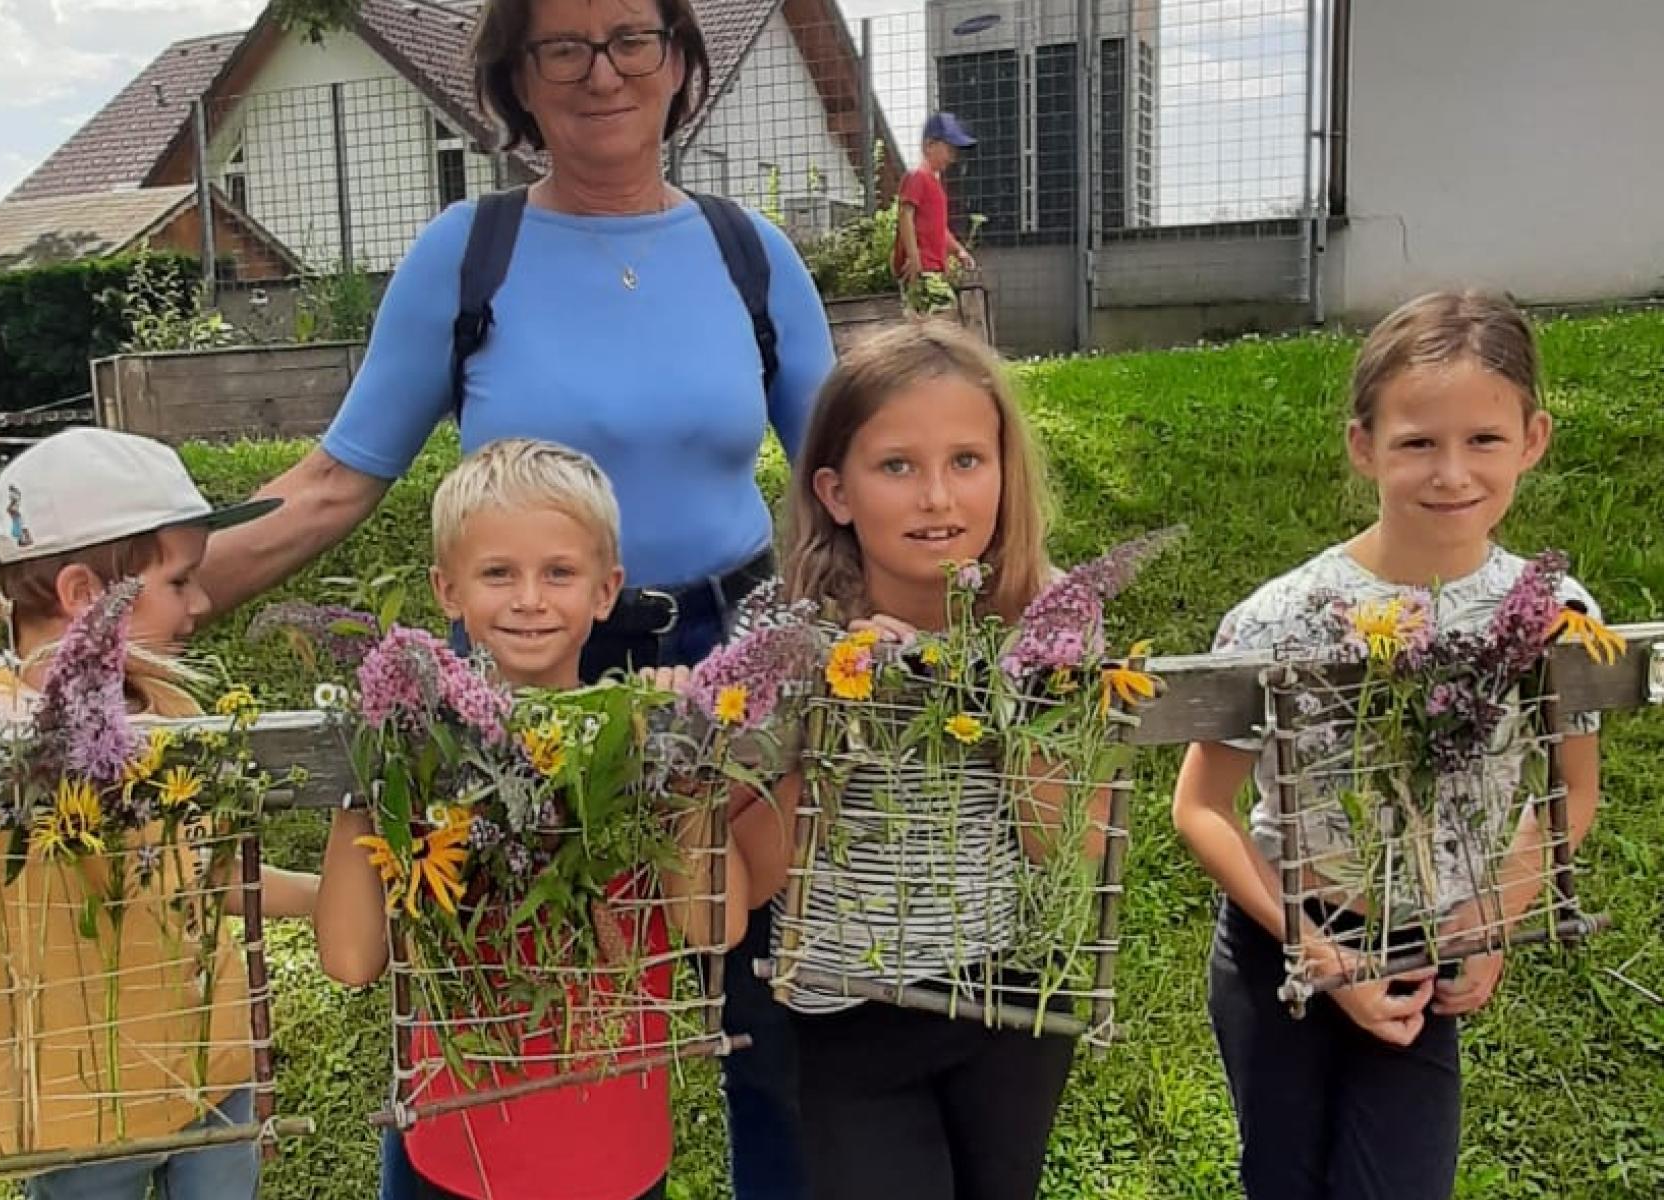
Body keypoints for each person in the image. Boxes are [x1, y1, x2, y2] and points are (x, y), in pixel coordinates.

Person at [195, 0, 834, 1192]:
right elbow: (337, 481)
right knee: (473, 988)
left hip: (720, 664)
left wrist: (968, 607)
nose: (603, 71)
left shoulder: (754, 254)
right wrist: (168, 597)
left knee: (766, 999)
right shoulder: (467, 252)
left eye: (633, 38)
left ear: (681, 62)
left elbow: (845, 482)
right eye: (564, 48)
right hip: (512, 663)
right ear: (517, 81)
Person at [1169, 291, 1606, 1200]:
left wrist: (1494, 919)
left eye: (1484, 439)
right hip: (1284, 947)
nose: (1451, 473)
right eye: (1417, 443)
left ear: (1533, 439)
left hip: (1427, 955)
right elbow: (1201, 808)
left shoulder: (1557, 617)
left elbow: (1572, 792)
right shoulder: (1282, 617)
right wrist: (1318, 957)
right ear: (1364, 444)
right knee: (1284, 1180)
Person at [0, 427, 320, 1200]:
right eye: (180, 581)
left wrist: (325, 899)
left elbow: (209, 874)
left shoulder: (172, 709)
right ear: (88, 597)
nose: (202, 601)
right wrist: (11, 722)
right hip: (75, 1110)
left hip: (210, 1071)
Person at [314, 439, 759, 1200]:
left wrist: (686, 766)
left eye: (559, 573)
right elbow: (352, 960)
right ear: (446, 590)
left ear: (606, 589)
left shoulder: (640, 739)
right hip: (454, 1158)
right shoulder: (418, 758)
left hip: (613, 1159)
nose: (529, 598)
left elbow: (713, 926)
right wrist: (366, 770)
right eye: (497, 574)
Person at [741, 323, 1079, 1200]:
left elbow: (1067, 850)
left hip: (1014, 997)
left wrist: (991, 693)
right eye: (897, 466)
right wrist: (835, 715)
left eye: (968, 460)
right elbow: (752, 878)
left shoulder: (1048, 612)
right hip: (848, 1010)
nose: (939, 497)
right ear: (836, 490)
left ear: (1005, 472)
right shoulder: (781, 629)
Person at [893, 112, 977, 299]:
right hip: (923, 270)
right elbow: (905, 216)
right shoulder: (917, 177)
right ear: (929, 145)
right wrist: (914, 259)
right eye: (949, 150)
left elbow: (940, 229)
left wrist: (958, 251)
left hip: (936, 269)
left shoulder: (936, 185)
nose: (952, 158)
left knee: (943, 318)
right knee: (936, 320)